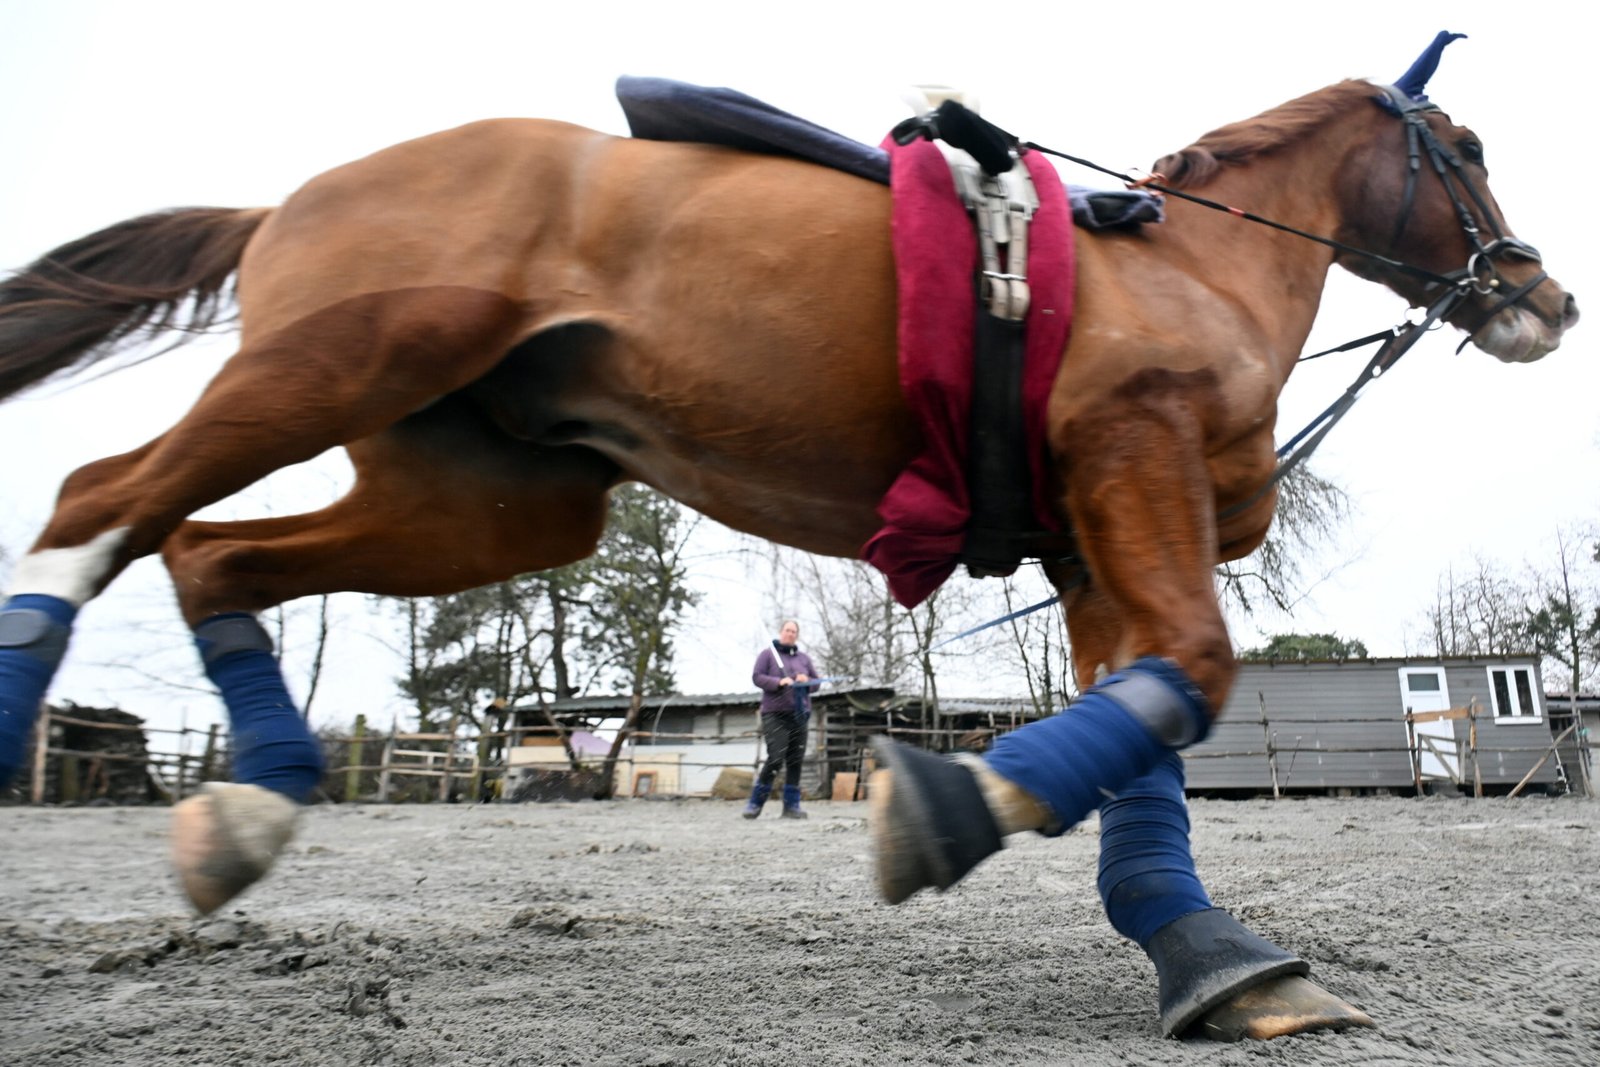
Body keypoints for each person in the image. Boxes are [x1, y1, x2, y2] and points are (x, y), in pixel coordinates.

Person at [743, 619, 821, 819]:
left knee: (795, 760)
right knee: (776, 758)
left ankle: (792, 806)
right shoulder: (768, 654)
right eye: (787, 630)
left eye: (794, 631)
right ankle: (755, 803)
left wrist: (806, 681)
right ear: (781, 632)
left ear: (797, 635)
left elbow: (816, 684)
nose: (790, 634)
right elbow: (757, 677)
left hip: (799, 714)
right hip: (775, 714)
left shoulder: (804, 659)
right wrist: (779, 682)